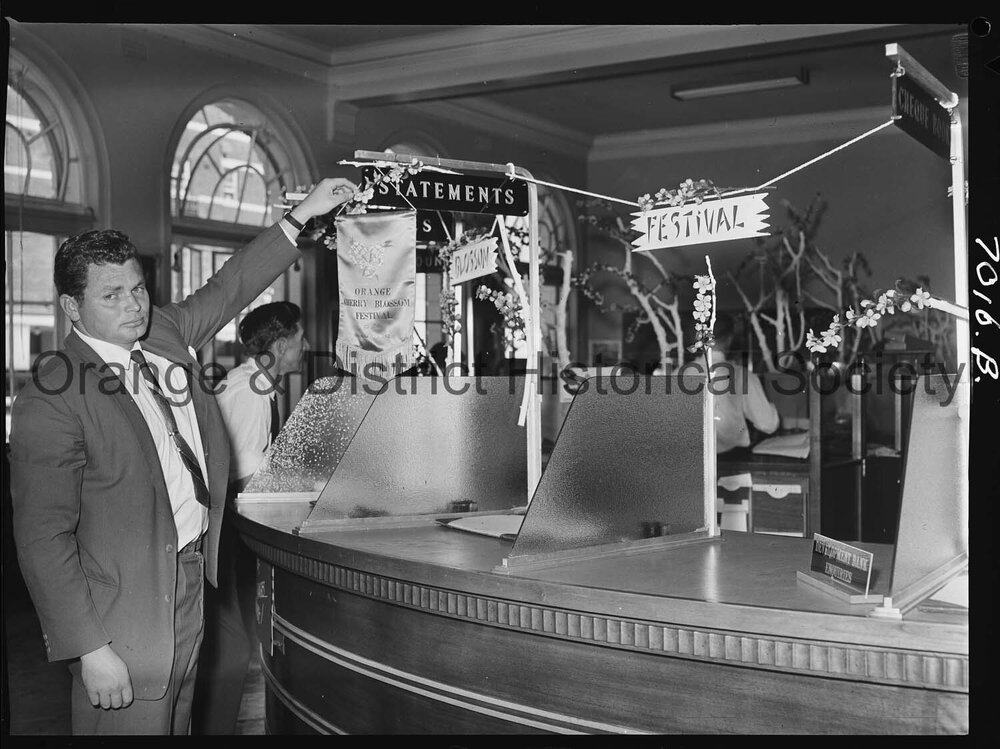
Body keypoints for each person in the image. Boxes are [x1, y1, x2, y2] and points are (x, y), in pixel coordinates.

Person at [8, 177, 357, 735]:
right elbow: (41, 537)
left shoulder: (163, 333)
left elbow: (230, 285)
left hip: (193, 578)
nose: (134, 307)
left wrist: (304, 215)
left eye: (138, 288)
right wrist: (89, 648)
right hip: (122, 611)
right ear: (72, 307)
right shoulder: (52, 395)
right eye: (112, 296)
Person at [192, 301, 307, 734]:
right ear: (280, 345)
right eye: (300, 338)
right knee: (233, 645)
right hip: (223, 532)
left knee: (235, 643)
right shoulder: (251, 393)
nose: (306, 346)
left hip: (228, 528)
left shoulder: (252, 384)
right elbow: (240, 475)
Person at [707, 312, 780, 454]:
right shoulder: (741, 375)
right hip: (732, 462)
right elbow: (768, 424)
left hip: (688, 464)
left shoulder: (677, 374)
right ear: (729, 339)